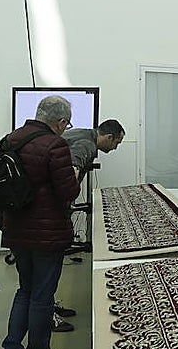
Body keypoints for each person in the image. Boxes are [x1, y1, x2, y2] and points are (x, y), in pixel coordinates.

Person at [0, 95, 81, 349]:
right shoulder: (55, 145)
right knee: (43, 296)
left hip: (16, 230)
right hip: (46, 232)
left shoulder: (9, 140)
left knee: (24, 291)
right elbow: (68, 192)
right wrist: (74, 174)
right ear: (61, 122)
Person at [52, 118, 126, 329]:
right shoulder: (87, 144)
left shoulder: (83, 133)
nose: (114, 148)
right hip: (52, 210)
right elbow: (72, 171)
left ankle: (49, 306)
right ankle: (47, 315)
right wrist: (64, 204)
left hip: (46, 208)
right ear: (108, 137)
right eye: (116, 143)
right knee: (47, 268)